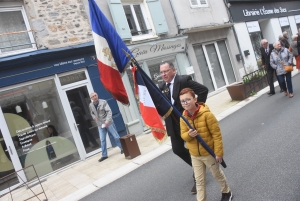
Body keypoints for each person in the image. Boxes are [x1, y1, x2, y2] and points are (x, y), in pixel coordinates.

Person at [158, 61, 208, 194]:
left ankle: (198, 177)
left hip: (187, 123)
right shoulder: (162, 86)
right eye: (161, 72)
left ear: (173, 70)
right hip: (172, 125)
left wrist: (196, 110)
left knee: (194, 149)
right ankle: (198, 166)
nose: (163, 74)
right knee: (177, 149)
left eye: (166, 71)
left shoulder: (184, 80)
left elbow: (203, 90)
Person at [179, 88, 232, 201]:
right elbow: (183, 135)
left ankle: (226, 192)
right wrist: (189, 135)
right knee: (199, 180)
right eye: (182, 101)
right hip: (194, 154)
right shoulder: (183, 117)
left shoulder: (207, 115)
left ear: (195, 99)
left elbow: (216, 135)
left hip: (208, 152)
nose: (185, 103)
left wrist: (219, 153)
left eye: (188, 99)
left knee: (216, 174)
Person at [89, 92, 123, 162]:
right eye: (93, 96)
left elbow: (109, 112)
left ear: (97, 95)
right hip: (100, 125)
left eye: (96, 95)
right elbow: (91, 113)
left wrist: (107, 121)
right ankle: (104, 155)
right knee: (102, 140)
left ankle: (122, 148)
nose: (95, 97)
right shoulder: (91, 105)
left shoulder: (103, 102)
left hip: (108, 123)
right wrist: (94, 117)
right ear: (91, 98)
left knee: (116, 136)